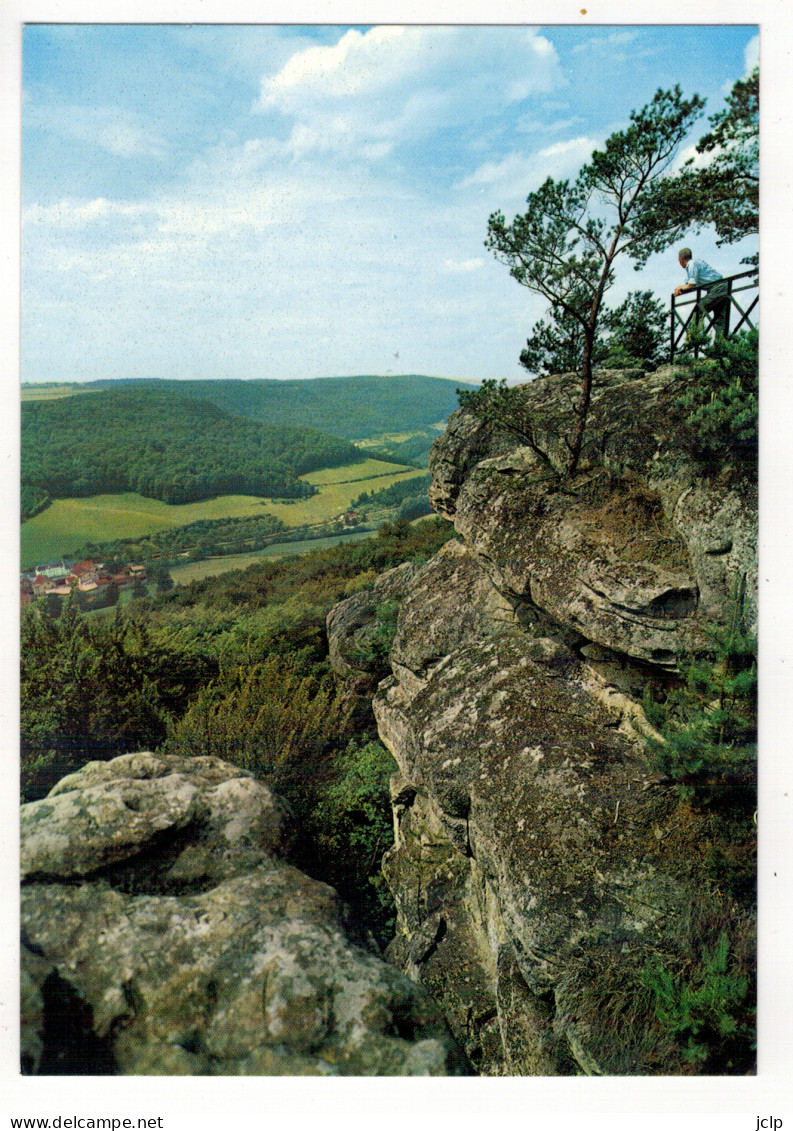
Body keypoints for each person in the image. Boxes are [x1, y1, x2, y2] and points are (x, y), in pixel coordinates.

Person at [674, 248, 729, 335]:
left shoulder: (691, 265)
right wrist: (680, 287)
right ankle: (721, 344)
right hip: (723, 286)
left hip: (717, 288)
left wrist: (681, 289)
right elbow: (688, 284)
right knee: (720, 319)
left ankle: (695, 338)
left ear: (680, 259)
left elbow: (692, 285)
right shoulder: (696, 263)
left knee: (699, 310)